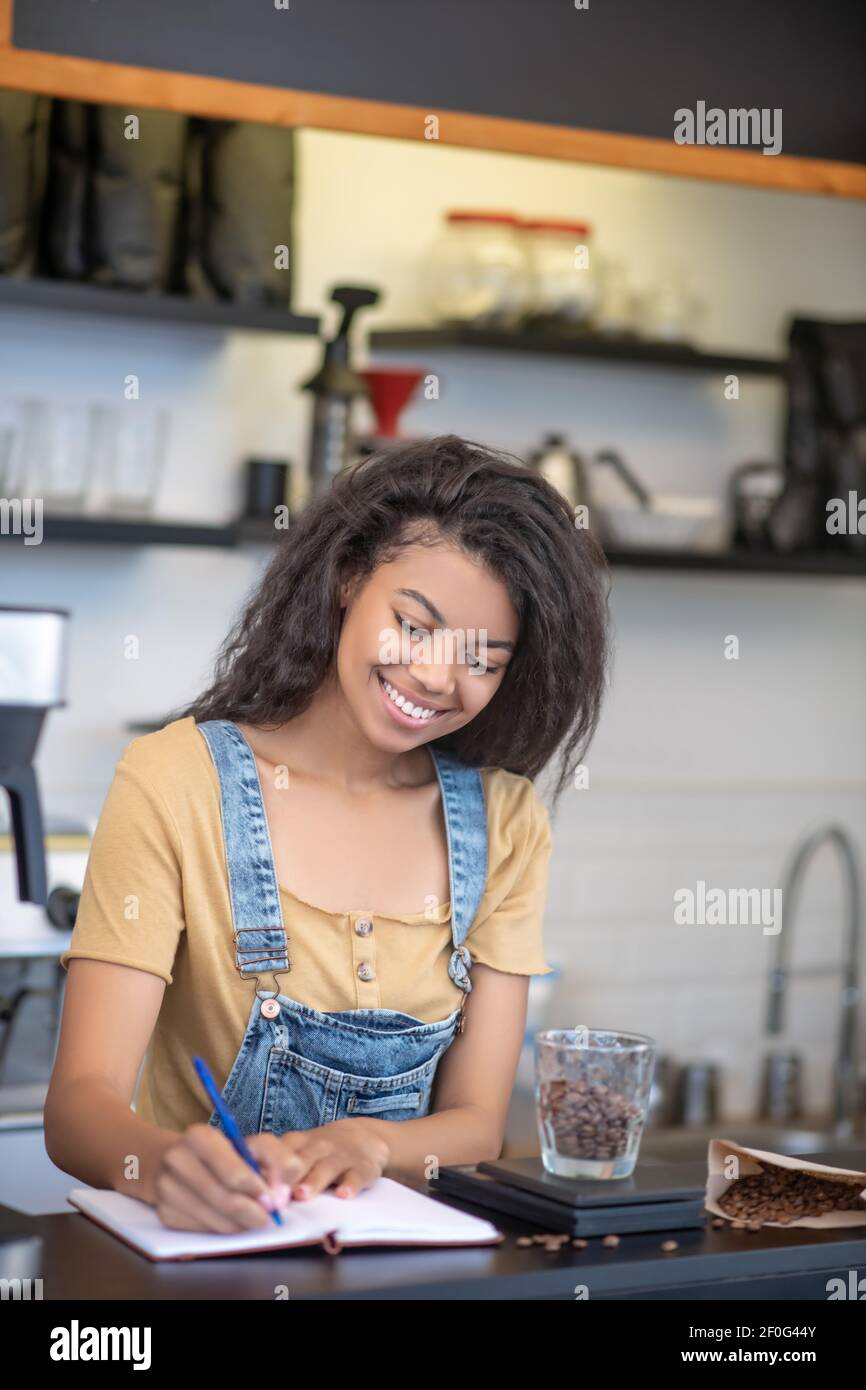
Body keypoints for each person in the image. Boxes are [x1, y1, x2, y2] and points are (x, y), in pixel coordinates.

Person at [45, 434, 609, 1233]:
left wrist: (369, 1142)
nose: (437, 678)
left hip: (400, 1277)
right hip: (206, 1267)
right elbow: (78, 1106)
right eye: (414, 627)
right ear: (349, 578)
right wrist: (160, 1165)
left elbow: (479, 1123)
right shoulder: (174, 782)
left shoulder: (506, 824)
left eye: (483, 659)